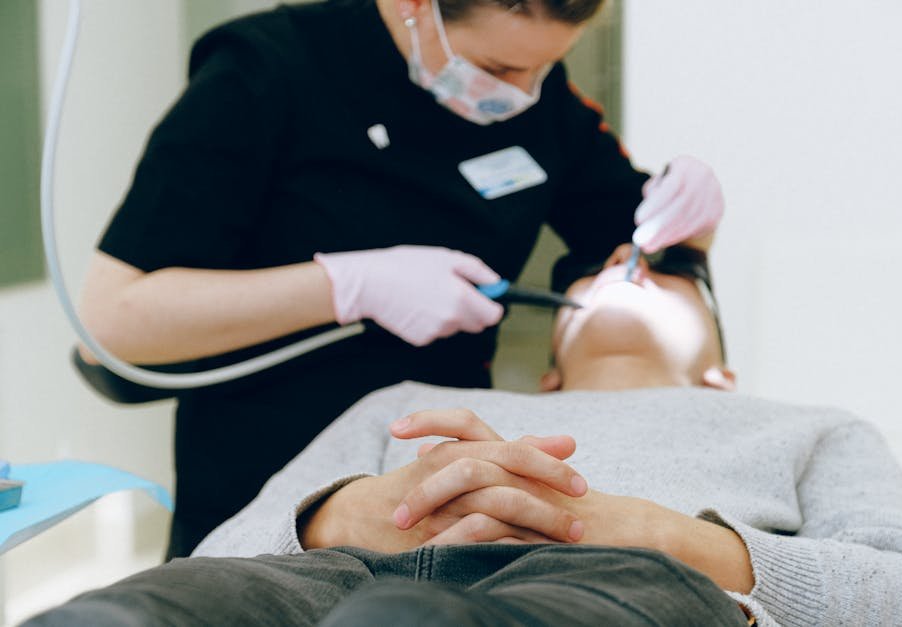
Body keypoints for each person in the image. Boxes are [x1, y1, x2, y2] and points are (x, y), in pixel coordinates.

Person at [76, 0, 725, 559]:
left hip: (437, 497)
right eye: (499, 70)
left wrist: (690, 228)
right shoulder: (262, 74)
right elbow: (114, 322)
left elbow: (632, 243)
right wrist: (343, 285)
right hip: (265, 495)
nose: (523, 93)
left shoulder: (535, 94)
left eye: (545, 69)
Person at [35, 245, 902, 626]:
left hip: (630, 582)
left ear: (720, 373)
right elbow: (215, 554)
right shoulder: (411, 399)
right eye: (600, 270)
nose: (624, 267)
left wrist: (666, 536)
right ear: (546, 371)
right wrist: (343, 518)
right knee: (154, 608)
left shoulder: (806, 426)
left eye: (660, 275)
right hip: (331, 578)